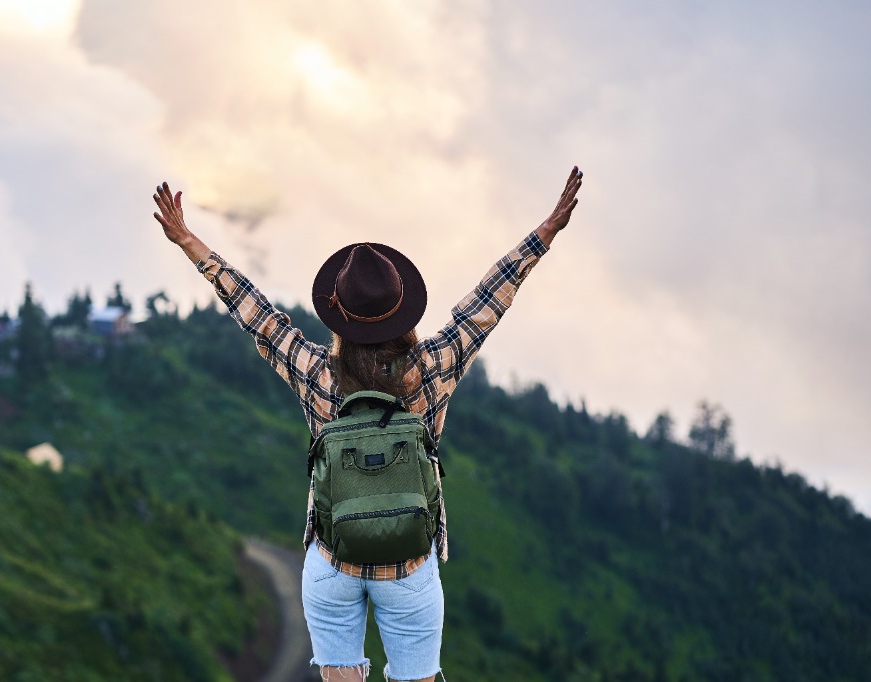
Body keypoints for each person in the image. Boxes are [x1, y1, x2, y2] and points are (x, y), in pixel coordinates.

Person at [152, 166, 583, 682]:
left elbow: (256, 313)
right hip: (409, 567)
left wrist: (188, 242)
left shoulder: (317, 374)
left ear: (340, 319)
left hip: (333, 562)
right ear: (404, 313)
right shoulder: (434, 369)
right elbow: (486, 303)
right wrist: (545, 233)